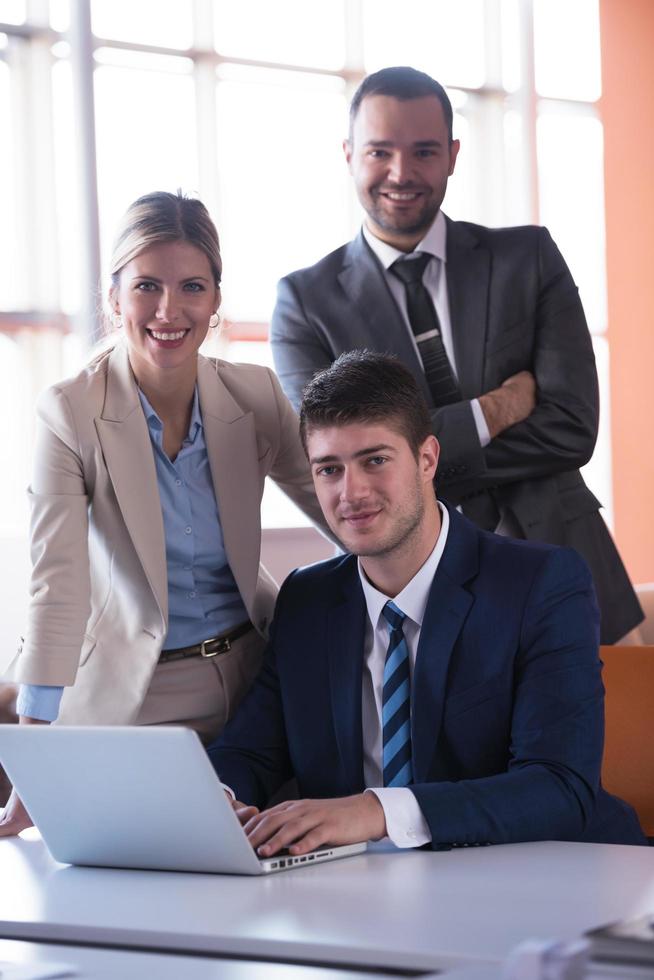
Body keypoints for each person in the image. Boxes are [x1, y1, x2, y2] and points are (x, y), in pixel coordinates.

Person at [207, 352, 646, 854]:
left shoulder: (541, 584)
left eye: (374, 460)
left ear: (427, 459)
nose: (351, 492)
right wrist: (219, 799)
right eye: (329, 469)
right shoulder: (307, 600)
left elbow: (559, 785)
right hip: (363, 891)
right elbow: (251, 751)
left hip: (548, 876)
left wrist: (377, 811)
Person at [270, 65, 643, 646]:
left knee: (616, 739)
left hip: (574, 573)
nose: (401, 173)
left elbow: (572, 429)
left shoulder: (529, 258)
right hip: (422, 603)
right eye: (379, 152)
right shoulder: (305, 303)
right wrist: (493, 411)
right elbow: (341, 465)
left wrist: (410, 464)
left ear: (452, 153)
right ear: (348, 155)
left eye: (423, 151)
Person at [0, 190, 326, 837]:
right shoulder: (70, 412)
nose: (169, 310)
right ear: (114, 296)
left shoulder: (254, 396)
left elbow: (341, 508)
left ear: (215, 299)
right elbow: (56, 589)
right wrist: (35, 757)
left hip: (252, 683)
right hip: (131, 697)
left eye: (192, 286)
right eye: (147, 285)